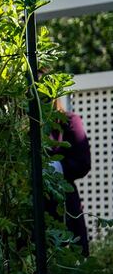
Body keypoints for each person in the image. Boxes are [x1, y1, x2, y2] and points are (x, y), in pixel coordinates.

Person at [51, 99, 92, 255]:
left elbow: (83, 162)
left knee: (69, 258)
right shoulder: (22, 126)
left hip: (64, 202)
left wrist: (56, 167)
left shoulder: (68, 121)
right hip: (27, 205)